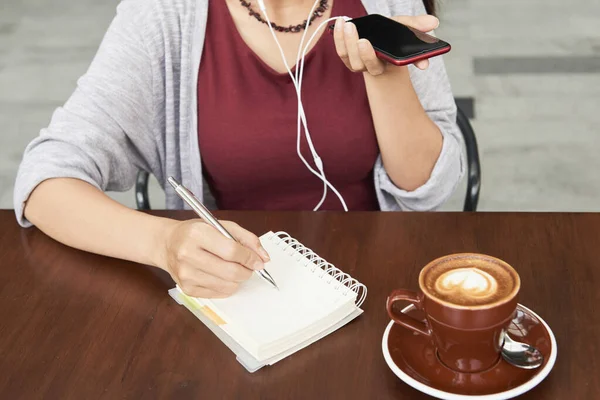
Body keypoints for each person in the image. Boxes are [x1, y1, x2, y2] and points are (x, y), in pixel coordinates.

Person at [13, 0, 464, 298]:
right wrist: (165, 243)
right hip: (236, 290)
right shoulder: (163, 15)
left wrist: (388, 78)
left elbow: (425, 190)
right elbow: (45, 179)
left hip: (374, 285)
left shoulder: (387, 4)